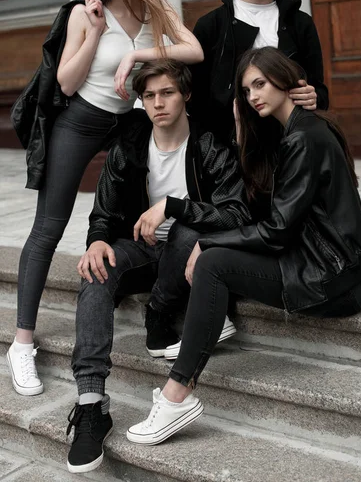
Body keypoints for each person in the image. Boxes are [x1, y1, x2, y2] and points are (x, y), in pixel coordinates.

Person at [126, 46, 361, 446]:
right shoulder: (295, 129)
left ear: (286, 80)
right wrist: (243, 135)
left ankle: (177, 395)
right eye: (246, 89)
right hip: (325, 261)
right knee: (215, 259)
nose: (253, 95)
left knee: (212, 263)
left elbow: (276, 231)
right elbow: (258, 208)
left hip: (334, 277)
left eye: (260, 84)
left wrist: (206, 242)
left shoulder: (305, 138)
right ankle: (204, 329)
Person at [7, 0, 204, 398]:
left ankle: (155, 291)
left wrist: (138, 50)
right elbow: (68, 83)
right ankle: (21, 343)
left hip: (124, 125)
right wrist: (95, 34)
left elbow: (193, 50)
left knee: (141, 201)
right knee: (48, 228)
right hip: (78, 124)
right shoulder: (84, 12)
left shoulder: (152, 9)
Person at [65, 58, 250, 474]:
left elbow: (237, 212)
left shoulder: (208, 144)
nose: (158, 103)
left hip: (188, 255)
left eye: (167, 93)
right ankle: (92, 404)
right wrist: (95, 241)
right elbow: (103, 213)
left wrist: (173, 207)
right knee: (95, 268)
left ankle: (159, 314)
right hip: (141, 251)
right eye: (149, 96)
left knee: (186, 229)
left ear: (185, 95)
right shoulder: (128, 148)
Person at [189, 0, 328, 144]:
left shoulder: (300, 23)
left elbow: (320, 92)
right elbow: (196, 99)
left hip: (289, 144)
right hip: (228, 148)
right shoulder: (211, 26)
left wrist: (314, 97)